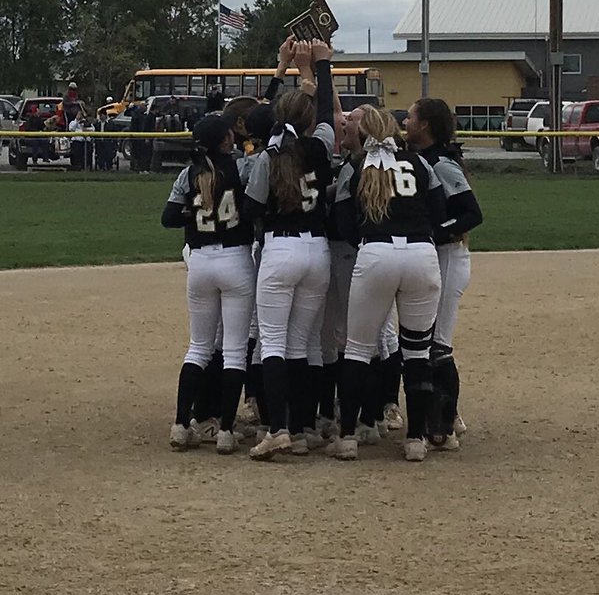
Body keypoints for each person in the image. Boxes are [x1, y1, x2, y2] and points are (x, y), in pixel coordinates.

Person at [331, 105, 445, 463]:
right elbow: (441, 210)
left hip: (376, 252)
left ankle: (348, 436)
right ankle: (415, 439)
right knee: (417, 353)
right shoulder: (419, 162)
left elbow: (342, 222)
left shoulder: (356, 166)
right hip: (421, 254)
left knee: (358, 350)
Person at [243, 40, 335, 460]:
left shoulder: (270, 156)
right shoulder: (319, 146)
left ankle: (277, 427)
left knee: (275, 343)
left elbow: (251, 210)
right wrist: (320, 66)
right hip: (318, 251)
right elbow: (329, 113)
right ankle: (301, 429)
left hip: (280, 249)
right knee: (302, 343)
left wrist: (284, 68)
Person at [161, 115, 256, 454]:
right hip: (235, 259)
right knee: (233, 350)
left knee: (198, 347)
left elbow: (168, 218)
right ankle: (227, 430)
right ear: (224, 140)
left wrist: (195, 211)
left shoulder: (189, 174)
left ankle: (180, 425)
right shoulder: (242, 168)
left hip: (200, 261)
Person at [405, 98, 483, 448]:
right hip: (428, 257)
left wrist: (437, 231)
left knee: (438, 344)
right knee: (423, 340)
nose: (405, 122)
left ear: (424, 125)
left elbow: (471, 213)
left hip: (448, 256)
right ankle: (439, 416)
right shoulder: (415, 159)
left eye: (409, 117)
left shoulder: (441, 163)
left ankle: (446, 422)